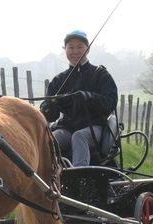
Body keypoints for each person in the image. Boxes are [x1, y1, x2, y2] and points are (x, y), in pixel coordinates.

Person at [40, 30, 118, 167]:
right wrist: (47, 107)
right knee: (52, 139)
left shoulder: (100, 74)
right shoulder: (59, 80)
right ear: (65, 50)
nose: (75, 51)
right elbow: (51, 115)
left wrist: (89, 97)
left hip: (94, 127)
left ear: (87, 49)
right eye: (71, 47)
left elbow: (110, 102)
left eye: (80, 47)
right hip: (67, 128)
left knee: (79, 136)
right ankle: (46, 177)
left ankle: (79, 177)